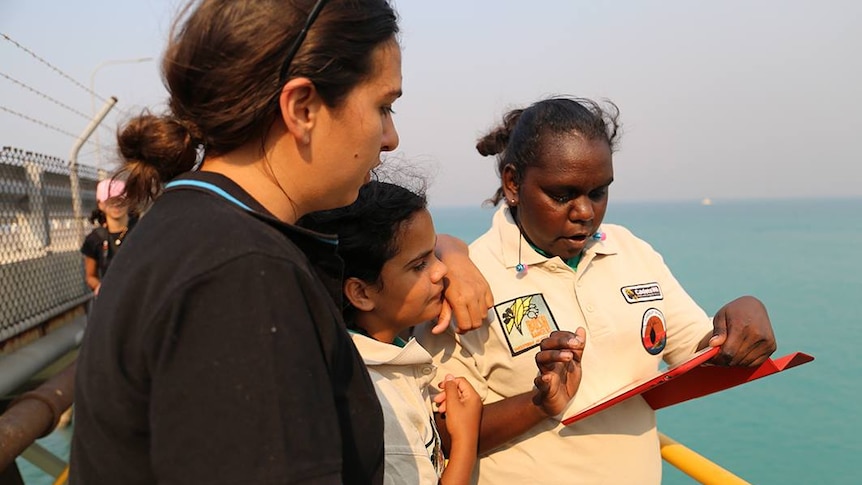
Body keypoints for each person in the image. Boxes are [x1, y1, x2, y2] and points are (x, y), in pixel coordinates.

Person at [70, 1, 490, 484]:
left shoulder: (191, 227)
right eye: (383, 107)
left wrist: (452, 253)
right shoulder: (243, 274)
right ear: (302, 108)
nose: (391, 137)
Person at [415, 97, 777, 484]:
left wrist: (741, 317)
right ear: (513, 183)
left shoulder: (630, 251)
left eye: (598, 192)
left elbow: (696, 348)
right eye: (562, 194)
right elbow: (441, 436)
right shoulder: (467, 281)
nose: (585, 212)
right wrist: (540, 403)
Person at [300, 180, 586, 485]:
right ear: (361, 293)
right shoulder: (378, 398)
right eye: (419, 265)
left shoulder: (372, 355)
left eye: (435, 254)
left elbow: (446, 244)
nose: (441, 271)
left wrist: (455, 255)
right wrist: (463, 442)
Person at [79, 178, 137, 295]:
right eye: (110, 201)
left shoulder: (142, 230)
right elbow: (90, 276)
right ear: (100, 204)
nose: (116, 205)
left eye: (121, 200)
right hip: (113, 301)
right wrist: (102, 288)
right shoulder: (94, 239)